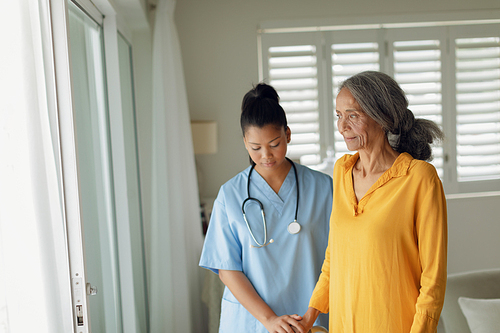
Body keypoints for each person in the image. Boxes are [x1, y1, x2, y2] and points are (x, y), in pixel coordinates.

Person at [299, 71, 448, 333]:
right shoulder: (341, 171)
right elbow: (335, 256)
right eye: (339, 115)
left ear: (383, 118)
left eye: (353, 116)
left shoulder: (419, 178)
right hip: (344, 324)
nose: (342, 126)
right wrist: (309, 317)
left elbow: (433, 277)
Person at [199, 83, 333, 333]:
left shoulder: (324, 188)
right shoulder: (230, 194)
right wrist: (269, 319)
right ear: (244, 142)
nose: (266, 156)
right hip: (252, 322)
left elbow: (338, 256)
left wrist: (311, 316)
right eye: (255, 148)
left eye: (274, 144)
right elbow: (227, 269)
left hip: (308, 320)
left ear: (288, 135)